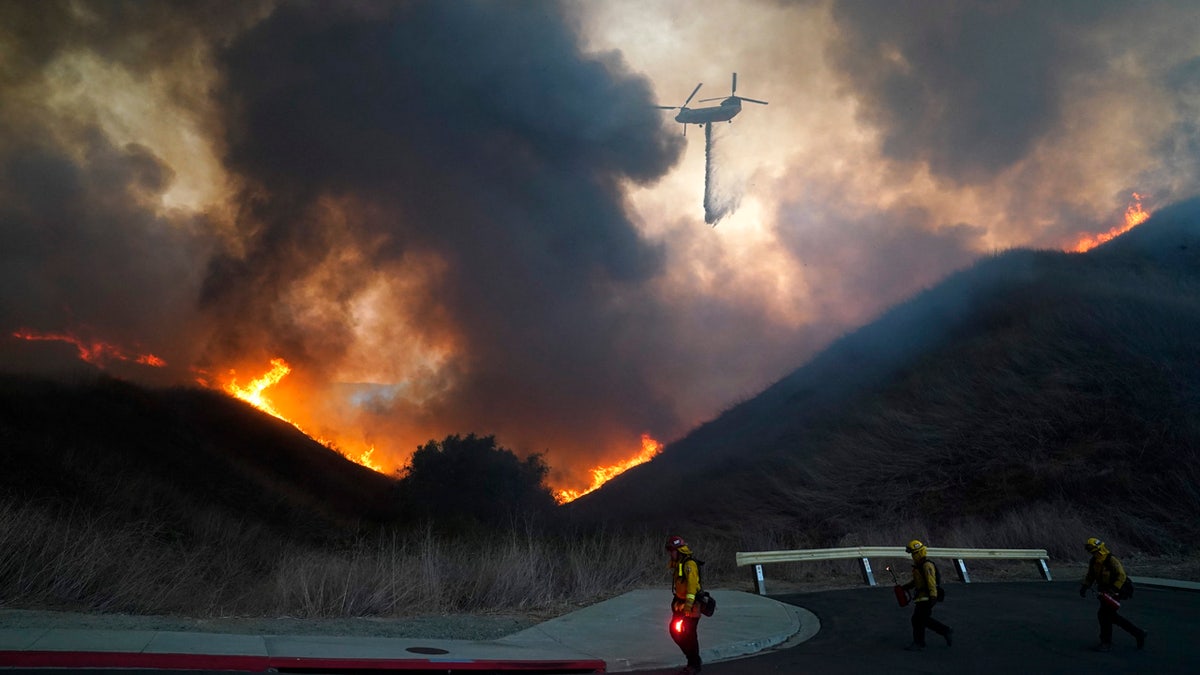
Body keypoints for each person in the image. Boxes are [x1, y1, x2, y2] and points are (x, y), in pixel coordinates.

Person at [1079, 537, 1146, 651]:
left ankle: (1106, 642)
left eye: (1092, 549)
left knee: (1104, 615)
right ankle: (1138, 633)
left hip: (1116, 591)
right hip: (1104, 591)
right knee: (1111, 617)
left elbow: (1121, 575)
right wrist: (1085, 586)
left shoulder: (1111, 560)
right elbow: (1091, 575)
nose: (1090, 552)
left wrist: (1113, 589)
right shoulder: (1094, 561)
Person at [901, 539, 953, 650]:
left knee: (919, 619)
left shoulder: (926, 565)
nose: (913, 556)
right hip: (921, 597)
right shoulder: (918, 567)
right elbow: (916, 582)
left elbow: (931, 581)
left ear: (919, 552)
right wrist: (905, 587)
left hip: (927, 597)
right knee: (920, 619)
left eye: (914, 553)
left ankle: (923, 641)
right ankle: (942, 632)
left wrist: (933, 596)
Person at [666, 534, 703, 674]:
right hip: (680, 604)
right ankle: (692, 660)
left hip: (692, 605)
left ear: (679, 550)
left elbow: (692, 586)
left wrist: (688, 604)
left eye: (672, 550)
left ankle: (694, 664)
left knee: (689, 635)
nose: (670, 553)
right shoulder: (679, 564)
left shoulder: (689, 564)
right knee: (674, 631)